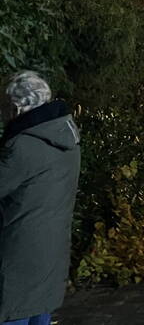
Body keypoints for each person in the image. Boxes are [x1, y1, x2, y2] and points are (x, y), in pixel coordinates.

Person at [0, 71, 81, 325]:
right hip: (50, 256)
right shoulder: (69, 142)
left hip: (17, 259)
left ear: (16, 107)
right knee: (38, 315)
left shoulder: (21, 146)